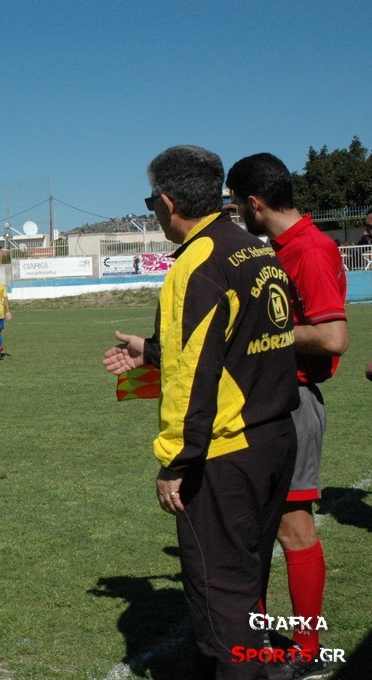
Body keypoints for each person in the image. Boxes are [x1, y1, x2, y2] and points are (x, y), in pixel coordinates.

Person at [103, 146, 299, 678]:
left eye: (151, 201)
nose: (153, 211)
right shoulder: (255, 250)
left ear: (168, 202)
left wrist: (177, 460)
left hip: (225, 453)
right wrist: (152, 350)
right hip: (276, 438)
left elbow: (193, 379)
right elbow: (236, 345)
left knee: (222, 596)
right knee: (246, 581)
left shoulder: (196, 264)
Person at [227, 153, 349, 679]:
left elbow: (333, 337)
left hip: (294, 401)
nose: (236, 213)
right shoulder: (278, 249)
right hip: (269, 398)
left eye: (237, 204)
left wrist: (262, 329)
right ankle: (258, 640)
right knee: (259, 526)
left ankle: (308, 649)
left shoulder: (310, 249)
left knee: (293, 527)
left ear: (254, 203)